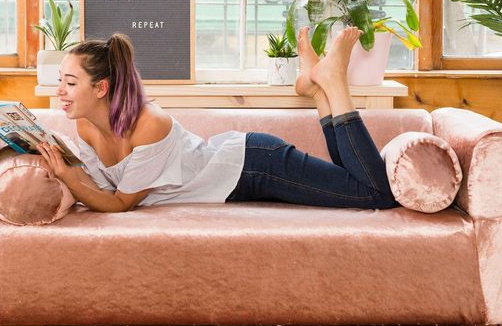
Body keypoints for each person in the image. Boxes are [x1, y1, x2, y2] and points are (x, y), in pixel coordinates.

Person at [36, 27, 397, 213]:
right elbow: (100, 191)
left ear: (101, 88)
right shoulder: (84, 125)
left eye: (70, 83)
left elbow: (118, 204)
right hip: (242, 170)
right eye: (59, 82)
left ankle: (334, 84)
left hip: (254, 166)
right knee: (358, 185)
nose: (60, 92)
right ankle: (319, 91)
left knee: (376, 194)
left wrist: (67, 175)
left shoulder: (149, 124)